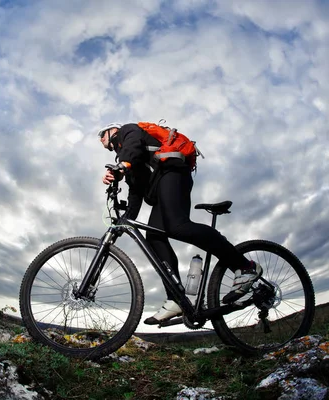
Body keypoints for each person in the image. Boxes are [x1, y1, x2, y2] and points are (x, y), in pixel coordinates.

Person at [97, 122, 262, 325]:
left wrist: (122, 165)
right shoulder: (128, 159)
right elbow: (136, 192)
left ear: (111, 130)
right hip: (159, 187)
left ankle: (245, 267)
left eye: (101, 135)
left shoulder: (127, 132)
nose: (100, 141)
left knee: (177, 226)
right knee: (155, 237)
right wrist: (124, 220)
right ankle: (176, 300)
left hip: (173, 171)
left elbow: (133, 146)